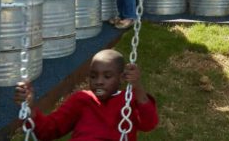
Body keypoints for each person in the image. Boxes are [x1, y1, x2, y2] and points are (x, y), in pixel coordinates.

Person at [14, 49, 157, 140]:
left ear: (121, 78)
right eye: (93, 76)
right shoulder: (81, 100)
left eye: (107, 76)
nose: (99, 82)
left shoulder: (128, 101)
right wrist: (30, 108)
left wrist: (137, 87)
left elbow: (148, 123)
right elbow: (48, 130)